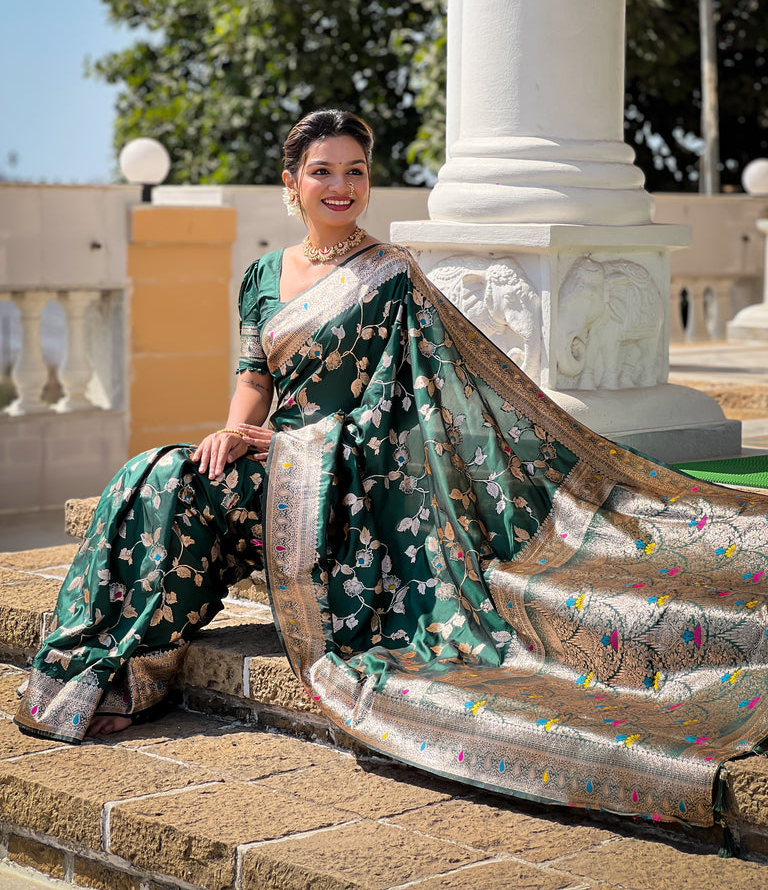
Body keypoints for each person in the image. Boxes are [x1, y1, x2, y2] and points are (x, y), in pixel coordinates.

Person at [15, 109, 768, 837]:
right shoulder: (262, 276)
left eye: (355, 171)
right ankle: (116, 659)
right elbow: (255, 378)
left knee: (175, 481)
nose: (340, 186)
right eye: (322, 172)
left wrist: (298, 447)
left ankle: (131, 670)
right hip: (275, 470)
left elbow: (409, 414)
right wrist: (234, 431)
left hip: (349, 489)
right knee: (160, 473)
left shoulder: (393, 277)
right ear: (292, 180)